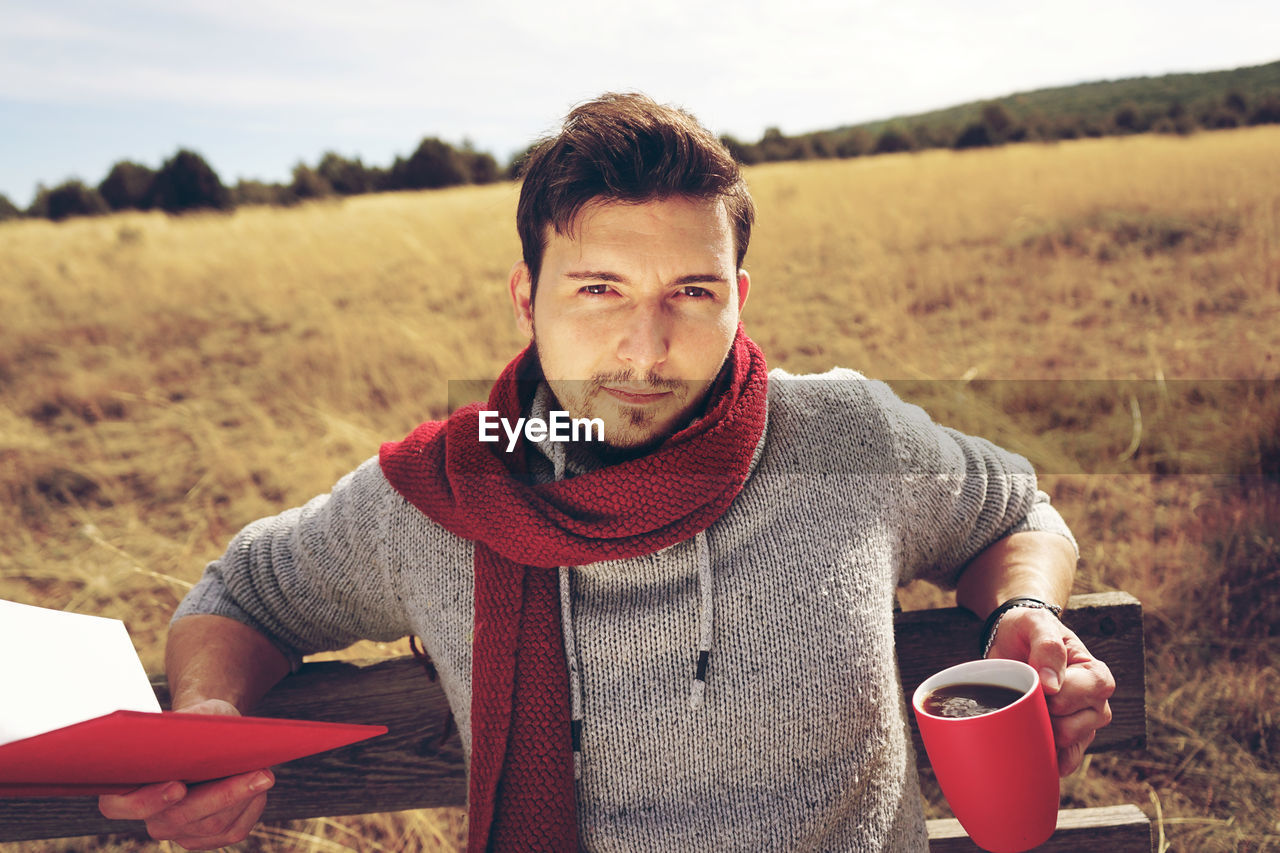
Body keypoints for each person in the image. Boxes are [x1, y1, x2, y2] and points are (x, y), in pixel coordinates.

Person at [99, 92, 1115, 851]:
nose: (645, 349)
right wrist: (209, 717)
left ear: (737, 296)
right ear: (523, 296)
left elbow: (1013, 510)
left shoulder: (843, 436)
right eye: (597, 289)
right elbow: (243, 594)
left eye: (690, 291)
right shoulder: (445, 497)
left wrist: (1021, 611)